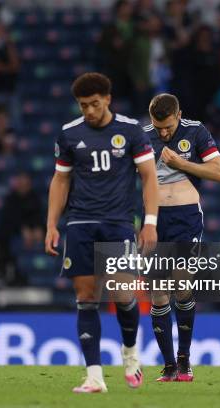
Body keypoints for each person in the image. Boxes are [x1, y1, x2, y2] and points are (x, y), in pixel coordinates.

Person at [45, 72, 159, 392]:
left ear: (108, 99)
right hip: (80, 222)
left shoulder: (132, 131)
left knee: (123, 294)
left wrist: (150, 222)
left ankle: (131, 354)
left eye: (95, 104)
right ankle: (94, 376)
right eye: (83, 106)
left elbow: (149, 177)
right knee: (85, 297)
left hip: (119, 223)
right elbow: (61, 180)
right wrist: (51, 224)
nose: (90, 112)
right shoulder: (69, 135)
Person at [142, 93, 220, 381]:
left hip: (186, 217)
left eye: (167, 127)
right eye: (158, 127)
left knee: (181, 284)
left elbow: (219, 172)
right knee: (158, 293)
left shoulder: (196, 131)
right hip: (154, 220)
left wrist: (181, 164)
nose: (163, 133)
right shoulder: (141, 137)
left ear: (178, 115)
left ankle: (184, 360)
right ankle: (167, 366)